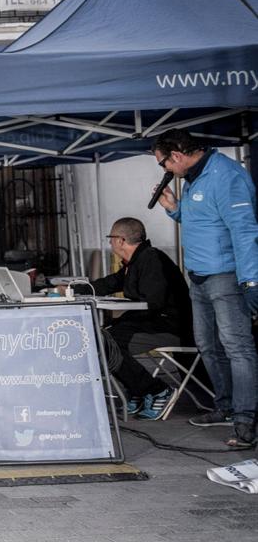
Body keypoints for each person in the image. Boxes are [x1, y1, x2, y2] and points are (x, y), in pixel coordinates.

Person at [152, 129, 258, 448]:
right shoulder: (193, 178)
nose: (165, 171)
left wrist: (251, 280)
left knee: (237, 346)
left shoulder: (227, 177)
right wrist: (174, 209)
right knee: (207, 345)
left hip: (226, 276)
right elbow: (204, 220)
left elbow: (244, 230)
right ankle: (224, 406)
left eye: (164, 164)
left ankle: (245, 420)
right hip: (198, 277)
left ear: (178, 156)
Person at [55, 218, 191, 419]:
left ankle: (157, 390)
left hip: (170, 327)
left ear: (120, 240)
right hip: (150, 322)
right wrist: (72, 290)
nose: (109, 243)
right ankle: (138, 390)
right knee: (98, 338)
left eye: (111, 238)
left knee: (106, 343)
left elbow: (154, 302)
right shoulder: (135, 262)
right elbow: (110, 283)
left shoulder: (151, 259)